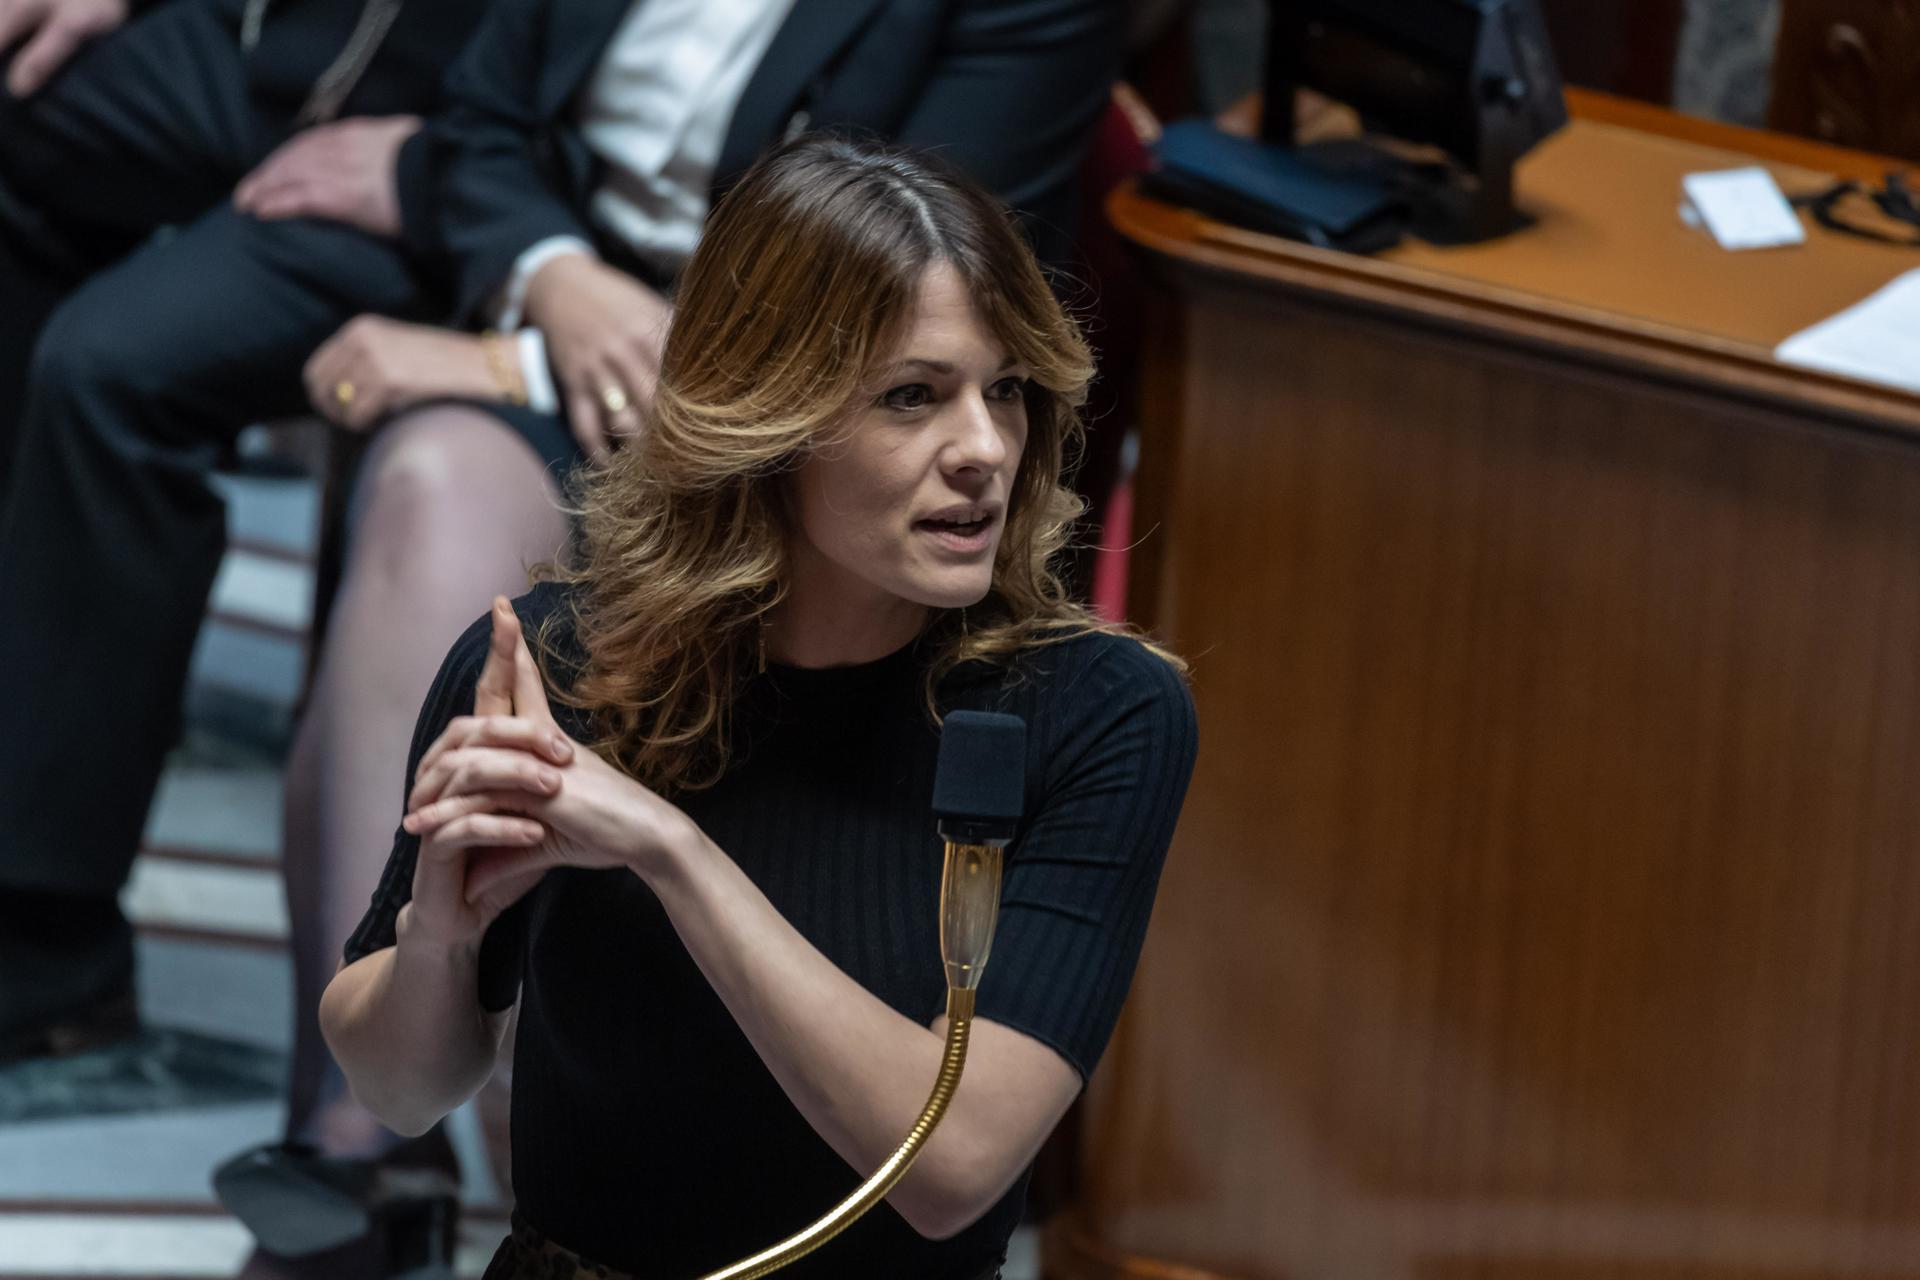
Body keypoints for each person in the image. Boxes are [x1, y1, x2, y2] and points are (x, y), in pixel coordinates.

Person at [240, 0, 1127, 1256]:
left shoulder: (1095, 712)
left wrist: (672, 851)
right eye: (914, 397)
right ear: (770, 415)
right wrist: (443, 931)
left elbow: (955, 1167)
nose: (984, 450)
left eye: (1009, 392)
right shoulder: (557, 660)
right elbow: (395, 1084)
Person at [0, 0, 501, 1061]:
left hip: (459, 115)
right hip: (273, 38)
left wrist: (445, 163)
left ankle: (47, 931)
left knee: (111, 367)